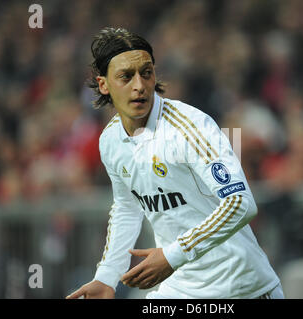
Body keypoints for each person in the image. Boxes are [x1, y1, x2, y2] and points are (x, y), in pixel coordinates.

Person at [66, 27, 283, 299]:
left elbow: (241, 203)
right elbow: (127, 207)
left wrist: (172, 255)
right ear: (103, 84)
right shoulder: (110, 140)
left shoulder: (190, 126)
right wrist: (107, 276)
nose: (139, 85)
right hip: (181, 290)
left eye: (146, 72)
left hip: (241, 288)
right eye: (126, 76)